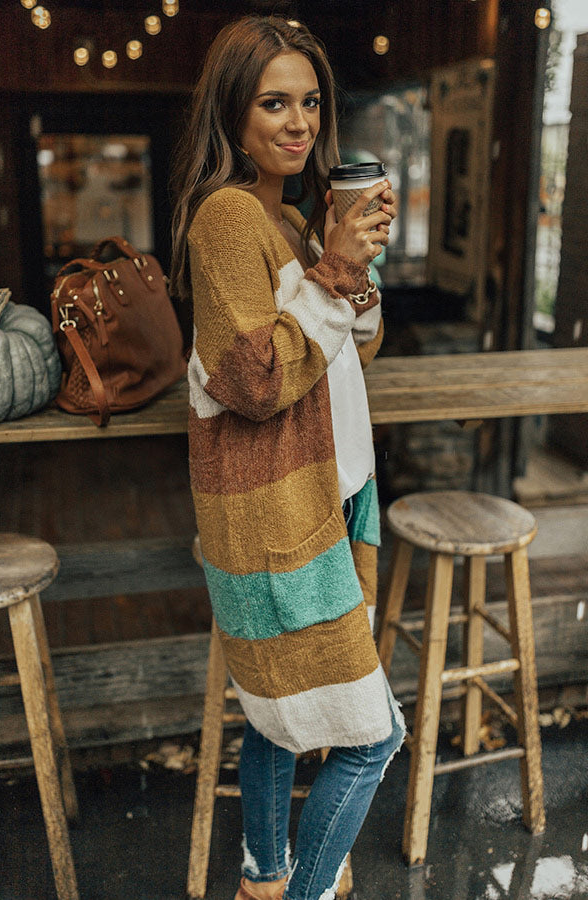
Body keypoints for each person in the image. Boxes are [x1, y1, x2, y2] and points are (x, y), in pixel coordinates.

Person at [170, 16, 405, 900]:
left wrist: (350, 258)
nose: (299, 122)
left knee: (274, 719)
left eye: (309, 102)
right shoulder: (229, 217)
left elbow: (351, 350)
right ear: (233, 114)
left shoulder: (293, 219)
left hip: (324, 505)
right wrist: (333, 274)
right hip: (275, 524)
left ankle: (263, 879)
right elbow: (254, 380)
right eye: (274, 103)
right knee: (373, 737)